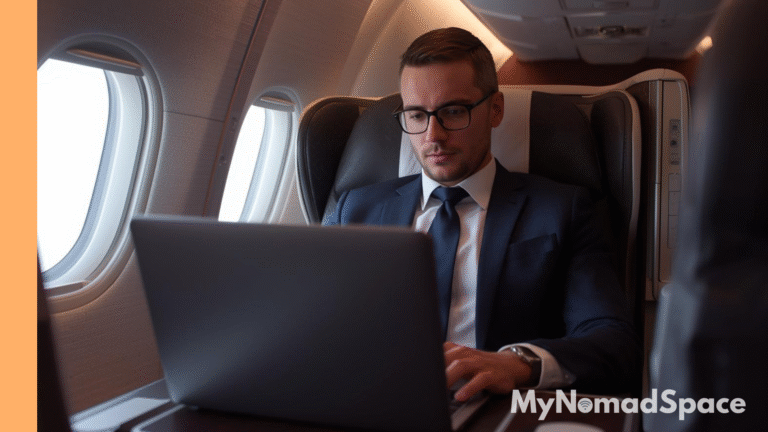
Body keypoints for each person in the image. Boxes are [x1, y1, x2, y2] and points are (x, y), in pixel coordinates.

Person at [326, 27, 639, 401]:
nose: (433, 135)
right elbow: (317, 323)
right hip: (374, 402)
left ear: (496, 109)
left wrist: (516, 363)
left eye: (453, 111)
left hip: (491, 406)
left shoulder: (561, 210)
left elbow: (612, 342)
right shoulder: (355, 209)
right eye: (417, 115)